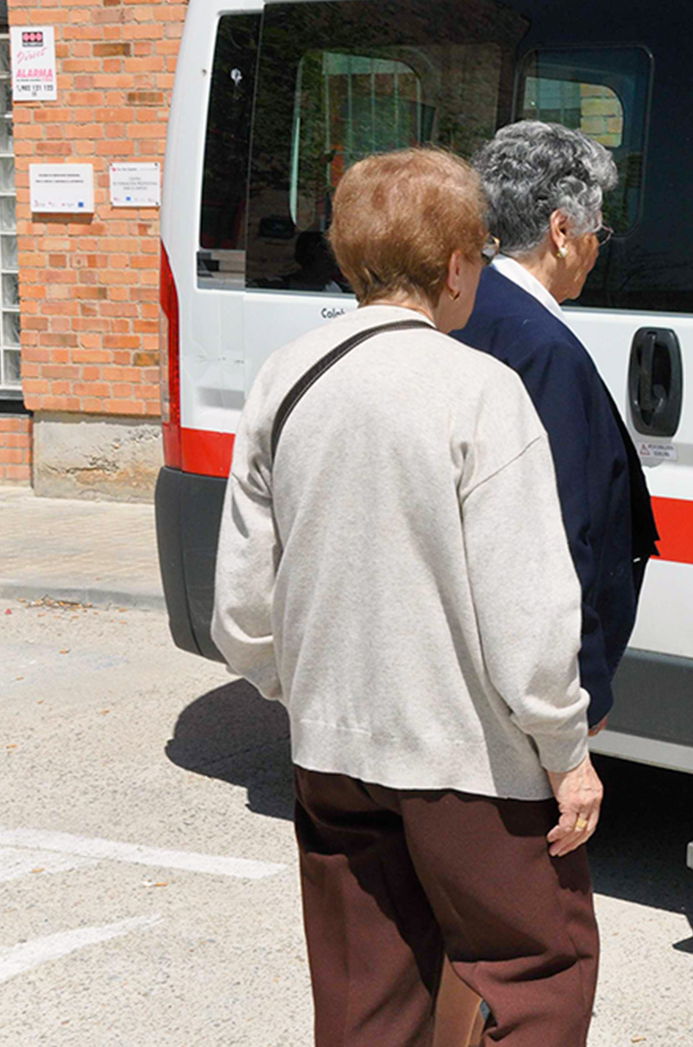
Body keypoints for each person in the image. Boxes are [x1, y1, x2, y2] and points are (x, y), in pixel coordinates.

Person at [212, 148, 604, 1047]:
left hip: (331, 748)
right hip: (466, 763)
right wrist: (565, 752)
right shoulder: (481, 389)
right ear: (458, 265)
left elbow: (242, 606)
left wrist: (297, 689)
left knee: (366, 995)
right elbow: (528, 612)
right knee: (537, 970)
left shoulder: (286, 376)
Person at [432, 119, 658, 1046]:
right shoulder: (541, 346)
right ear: (562, 230)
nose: (599, 250)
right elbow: (558, 545)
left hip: (448, 670)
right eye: (598, 230)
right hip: (517, 696)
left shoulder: (464, 308)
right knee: (540, 947)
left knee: (455, 930)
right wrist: (578, 702)